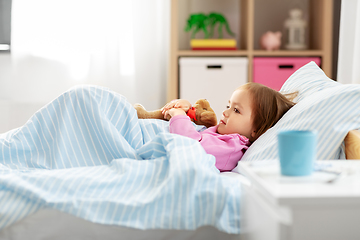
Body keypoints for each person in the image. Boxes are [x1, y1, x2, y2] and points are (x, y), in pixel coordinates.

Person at [161, 82, 296, 172]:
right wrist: (183, 106)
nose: (225, 112)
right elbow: (192, 127)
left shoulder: (232, 148)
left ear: (256, 128)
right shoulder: (222, 133)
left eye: (236, 110)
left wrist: (178, 116)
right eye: (228, 106)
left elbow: (190, 146)